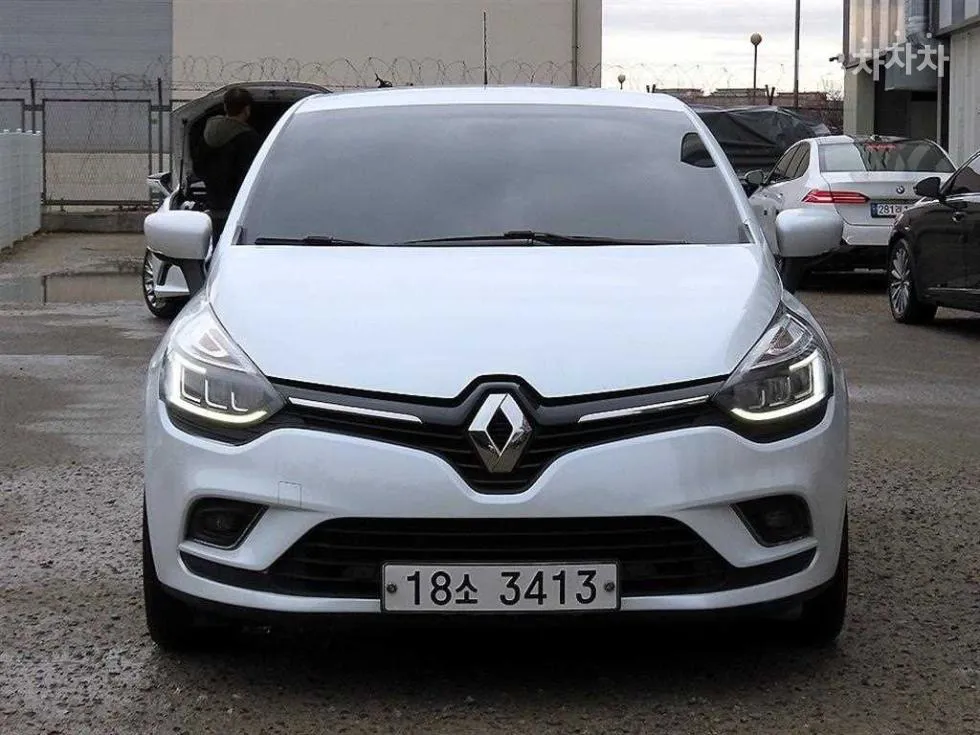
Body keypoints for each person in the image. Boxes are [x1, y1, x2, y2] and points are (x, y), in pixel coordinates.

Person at [193, 87, 262, 239]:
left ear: (225, 107)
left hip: (213, 207)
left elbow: (197, 168)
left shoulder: (206, 133)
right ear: (247, 110)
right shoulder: (250, 139)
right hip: (240, 210)